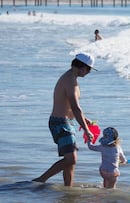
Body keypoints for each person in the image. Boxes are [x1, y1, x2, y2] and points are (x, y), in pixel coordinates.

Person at [32, 53, 98, 186]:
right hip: (60, 123)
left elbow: (69, 106)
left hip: (66, 122)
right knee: (71, 159)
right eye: (89, 69)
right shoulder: (70, 80)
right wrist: (86, 129)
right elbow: (75, 107)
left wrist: (85, 119)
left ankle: (68, 188)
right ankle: (40, 180)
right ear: (81, 66)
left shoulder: (71, 79)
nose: (89, 72)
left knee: (70, 160)